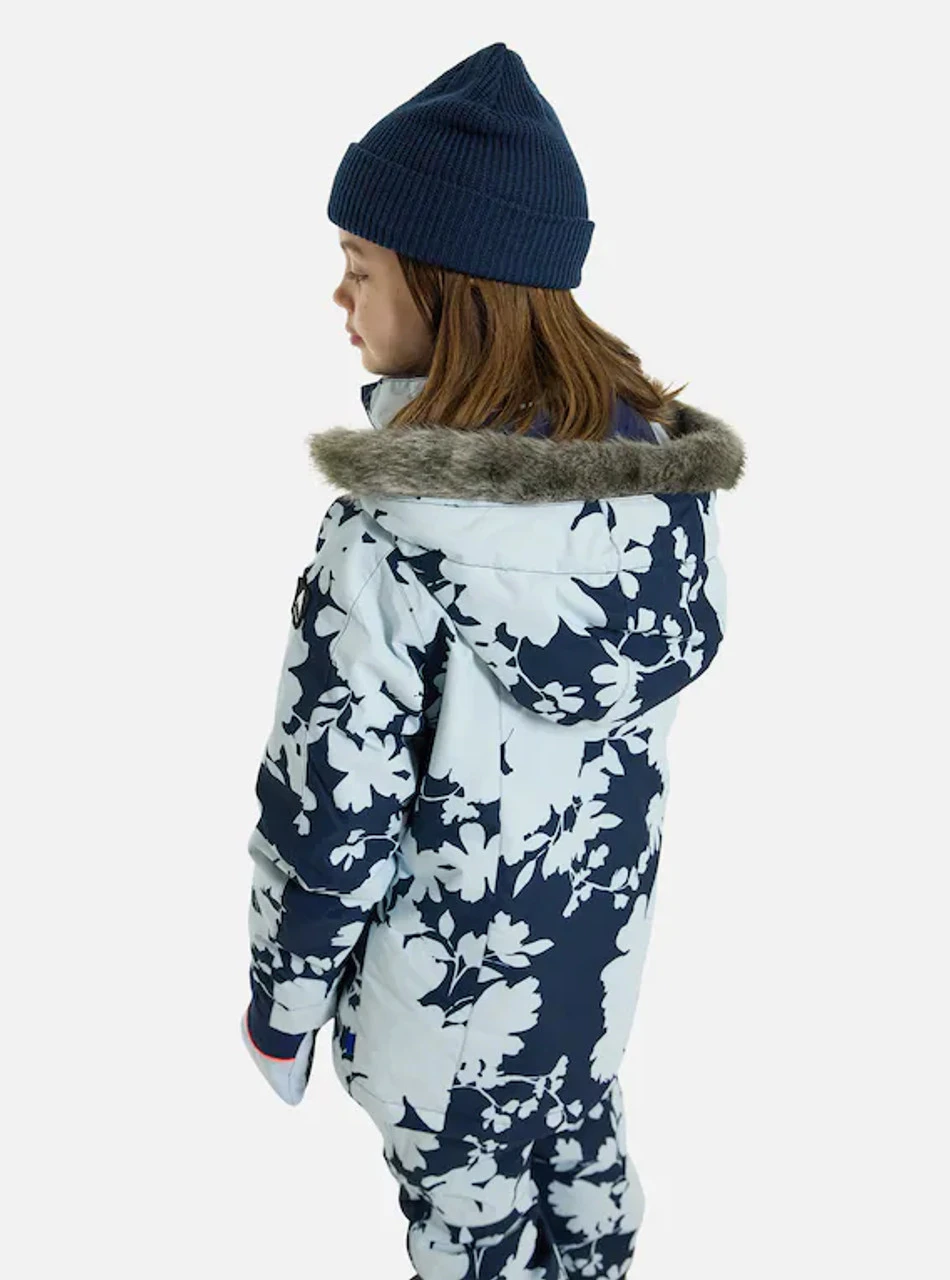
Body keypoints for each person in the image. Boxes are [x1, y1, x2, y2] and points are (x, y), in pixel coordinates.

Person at [239, 41, 746, 1280]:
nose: (339, 297)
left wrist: (280, 1005)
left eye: (360, 267)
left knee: (467, 1237)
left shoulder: (389, 538)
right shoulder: (654, 501)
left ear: (446, 287)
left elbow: (329, 811)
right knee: (585, 1183)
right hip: (586, 987)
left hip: (443, 1016)